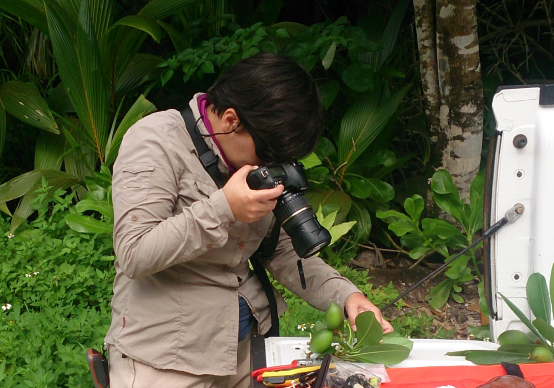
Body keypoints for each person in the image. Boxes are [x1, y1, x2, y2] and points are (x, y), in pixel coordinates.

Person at [106, 52, 393, 388]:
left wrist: (346, 297)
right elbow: (134, 253)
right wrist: (223, 208)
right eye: (268, 154)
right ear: (231, 120)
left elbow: (284, 253)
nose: (272, 165)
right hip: (166, 357)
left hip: (246, 347)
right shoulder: (156, 140)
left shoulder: (253, 160)